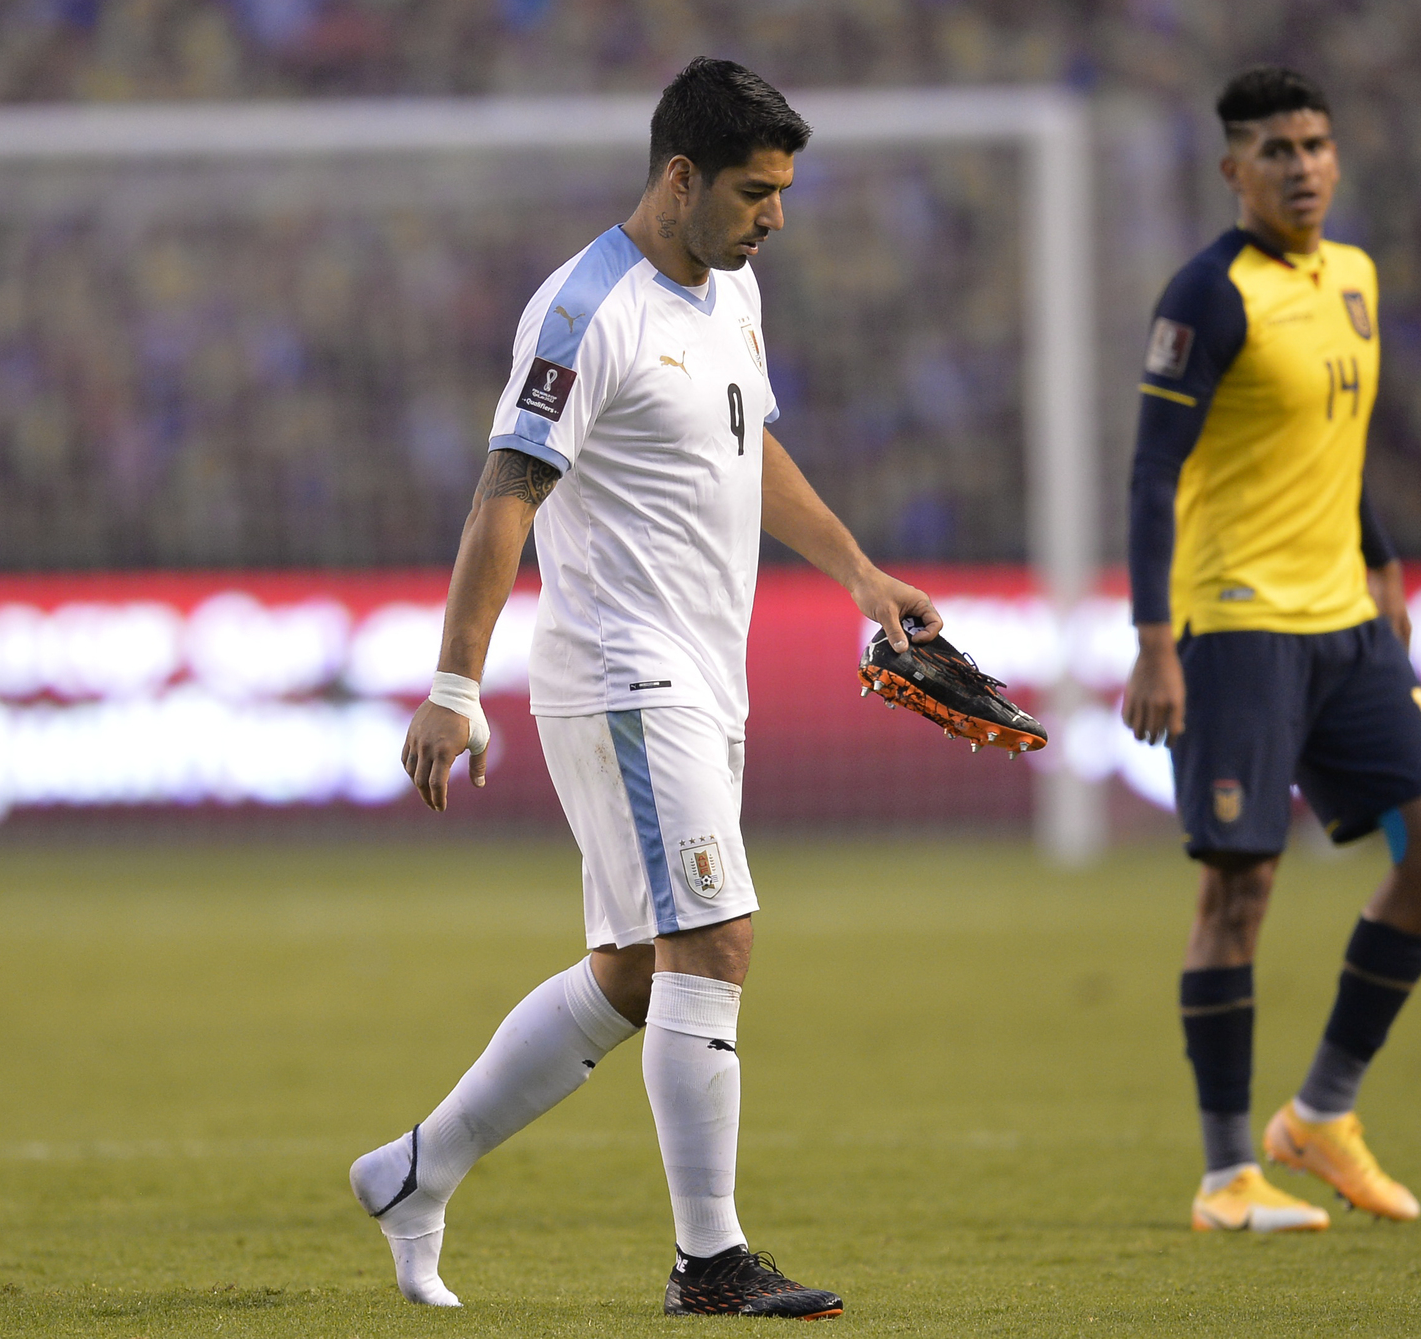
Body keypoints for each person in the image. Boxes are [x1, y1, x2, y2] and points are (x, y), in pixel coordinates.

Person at [348, 57, 940, 1318]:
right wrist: (454, 684)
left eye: (781, 191)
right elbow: (506, 492)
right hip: (623, 675)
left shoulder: (731, 287)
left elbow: (746, 443)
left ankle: (415, 1170)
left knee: (633, 969)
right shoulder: (583, 312)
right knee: (715, 939)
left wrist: (857, 572)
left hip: (701, 675)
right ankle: (709, 1259)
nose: (773, 215)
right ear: (679, 178)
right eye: (752, 191)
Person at [1121, 66, 1421, 1235]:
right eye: (1274, 150)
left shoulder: (1356, 278)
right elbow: (1150, 472)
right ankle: (1228, 1174)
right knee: (1241, 887)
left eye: (1316, 143)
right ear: (1233, 170)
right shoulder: (1205, 296)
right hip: (1233, 626)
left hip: (1345, 621)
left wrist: (1379, 559)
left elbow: (1337, 436)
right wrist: (1153, 643)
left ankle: (1320, 1114)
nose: (1302, 165)